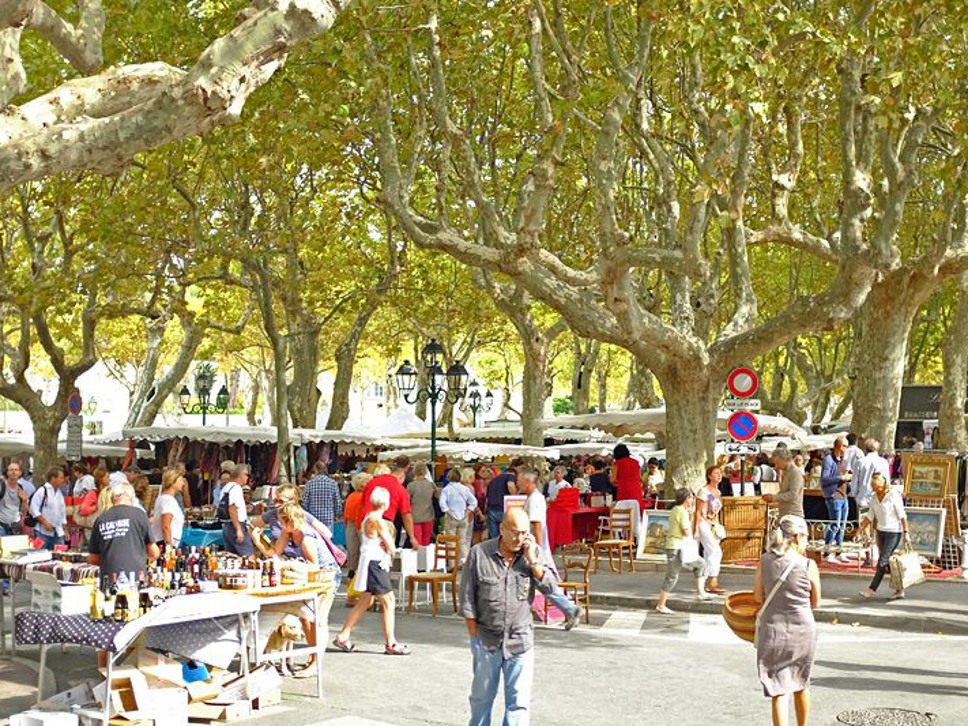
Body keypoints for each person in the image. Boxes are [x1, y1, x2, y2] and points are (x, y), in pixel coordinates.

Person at [460, 508, 556, 726]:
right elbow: (467, 598)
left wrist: (533, 561)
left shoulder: (532, 553)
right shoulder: (479, 553)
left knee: (518, 704)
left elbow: (550, 588)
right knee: (481, 700)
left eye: (524, 533)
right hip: (487, 640)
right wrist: (474, 637)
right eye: (514, 532)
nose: (519, 538)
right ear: (501, 528)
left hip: (520, 640)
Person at [754, 515, 820, 726]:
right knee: (801, 683)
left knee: (778, 689)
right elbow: (815, 602)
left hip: (773, 630)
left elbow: (758, 597)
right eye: (806, 537)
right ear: (797, 537)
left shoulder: (764, 561)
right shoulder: (808, 564)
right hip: (802, 629)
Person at [332, 487, 410, 656]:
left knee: (366, 601)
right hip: (376, 563)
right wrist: (388, 545)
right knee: (388, 601)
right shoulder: (377, 521)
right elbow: (391, 546)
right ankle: (391, 642)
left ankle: (343, 635)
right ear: (386, 503)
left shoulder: (369, 517)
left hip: (370, 562)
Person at [274, 502, 340, 676]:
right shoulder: (289, 532)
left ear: (290, 521)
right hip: (310, 578)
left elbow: (314, 565)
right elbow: (274, 552)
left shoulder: (307, 536)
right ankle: (312, 659)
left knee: (318, 620)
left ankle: (316, 664)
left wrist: (292, 566)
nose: (279, 524)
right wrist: (257, 538)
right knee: (305, 617)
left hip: (325, 576)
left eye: (282, 521)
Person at [518, 467, 581, 629]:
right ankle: (567, 608)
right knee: (536, 582)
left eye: (520, 481)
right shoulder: (535, 497)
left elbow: (537, 525)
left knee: (540, 581)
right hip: (533, 547)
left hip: (534, 548)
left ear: (528, 482)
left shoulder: (534, 499)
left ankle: (569, 608)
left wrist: (536, 550)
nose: (518, 484)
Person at [88, 482, 160, 582]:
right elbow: (154, 552)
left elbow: (93, 559)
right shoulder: (139, 515)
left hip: (108, 579)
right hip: (136, 578)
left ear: (113, 498)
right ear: (131, 497)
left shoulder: (101, 519)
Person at [655, 488, 711, 614]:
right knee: (672, 576)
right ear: (686, 499)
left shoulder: (676, 509)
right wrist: (692, 536)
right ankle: (661, 605)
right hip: (677, 547)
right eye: (691, 497)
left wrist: (690, 516)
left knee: (700, 564)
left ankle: (701, 592)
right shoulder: (682, 511)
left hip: (675, 546)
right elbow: (685, 530)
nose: (693, 500)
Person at [858, 473, 909, 600]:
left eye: (878, 487)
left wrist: (906, 533)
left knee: (882, 561)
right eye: (874, 487)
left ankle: (871, 590)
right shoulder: (874, 497)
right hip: (881, 531)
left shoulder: (893, 495)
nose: (876, 489)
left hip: (894, 532)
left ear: (884, 485)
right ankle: (900, 589)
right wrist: (860, 529)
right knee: (887, 562)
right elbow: (870, 516)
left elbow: (902, 515)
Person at [361, 456, 418, 548]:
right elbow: (406, 515)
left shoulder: (371, 482)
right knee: (385, 552)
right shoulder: (400, 488)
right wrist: (412, 537)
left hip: (367, 520)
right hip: (385, 522)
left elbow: (363, 502)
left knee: (367, 550)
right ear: (401, 477)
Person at [694, 466, 726, 595]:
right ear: (709, 476)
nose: (719, 475)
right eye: (716, 473)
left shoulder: (718, 492)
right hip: (703, 523)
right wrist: (696, 529)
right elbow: (697, 511)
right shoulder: (703, 491)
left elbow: (716, 511)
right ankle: (713, 580)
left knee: (709, 553)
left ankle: (703, 581)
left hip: (713, 524)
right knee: (715, 551)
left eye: (720, 473)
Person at [820, 437, 851, 563]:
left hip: (843, 496)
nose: (847, 449)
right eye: (845, 446)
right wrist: (841, 477)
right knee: (835, 525)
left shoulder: (842, 460)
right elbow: (824, 479)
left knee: (842, 526)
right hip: (834, 496)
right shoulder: (828, 460)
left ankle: (839, 551)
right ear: (839, 446)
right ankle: (827, 553)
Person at [440, 468, 478, 564]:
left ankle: (452, 564)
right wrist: (468, 511)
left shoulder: (446, 489)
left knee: (451, 542)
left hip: (451, 517)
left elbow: (442, 503)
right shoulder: (465, 489)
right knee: (462, 541)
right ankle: (466, 562)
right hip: (463, 517)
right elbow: (474, 502)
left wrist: (448, 511)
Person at [28, 466, 69, 549]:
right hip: (42, 532)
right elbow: (33, 509)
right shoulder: (42, 491)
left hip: (58, 532)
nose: (63, 480)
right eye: (61, 478)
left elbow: (62, 513)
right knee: (40, 554)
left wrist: (65, 530)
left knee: (59, 554)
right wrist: (45, 523)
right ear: (53, 478)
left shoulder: (59, 494)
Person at [219, 463, 254, 556]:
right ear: (241, 475)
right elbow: (232, 509)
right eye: (246, 475)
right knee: (249, 556)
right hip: (236, 525)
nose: (247, 477)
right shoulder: (236, 488)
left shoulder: (226, 487)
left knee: (232, 556)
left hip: (226, 525)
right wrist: (238, 529)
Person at [149, 468, 187, 548]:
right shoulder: (168, 501)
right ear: (172, 482)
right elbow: (166, 525)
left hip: (161, 541)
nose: (183, 483)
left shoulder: (163, 498)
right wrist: (169, 547)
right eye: (180, 480)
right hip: (164, 542)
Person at [763, 448, 805, 519]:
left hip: (793, 515)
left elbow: (793, 494)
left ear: (785, 459)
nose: (776, 466)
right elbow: (784, 491)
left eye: (777, 463)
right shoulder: (786, 472)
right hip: (785, 514)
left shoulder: (795, 472)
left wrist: (774, 497)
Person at [344, 471, 371, 578]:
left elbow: (346, 514)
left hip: (350, 524)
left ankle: (351, 572)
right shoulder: (364, 497)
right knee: (363, 549)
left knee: (352, 550)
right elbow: (359, 514)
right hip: (360, 523)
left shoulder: (350, 496)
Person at [302, 461, 343, 530]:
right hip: (328, 519)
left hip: (313, 520)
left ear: (316, 470)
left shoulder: (309, 484)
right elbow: (337, 503)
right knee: (328, 536)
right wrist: (337, 515)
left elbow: (305, 504)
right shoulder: (333, 483)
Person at [852, 438, 890, 510]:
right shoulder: (883, 462)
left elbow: (854, 482)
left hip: (862, 498)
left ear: (865, 449)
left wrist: (856, 495)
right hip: (879, 498)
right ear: (877, 449)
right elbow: (887, 482)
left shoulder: (860, 462)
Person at [406, 461, 438, 547]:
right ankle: (424, 555)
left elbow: (407, 501)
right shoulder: (431, 485)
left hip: (415, 517)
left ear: (415, 471)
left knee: (417, 540)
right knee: (426, 540)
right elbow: (437, 496)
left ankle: (418, 555)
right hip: (429, 516)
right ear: (426, 472)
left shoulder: (411, 486)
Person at [485, 461, 519, 538]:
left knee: (493, 537)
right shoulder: (510, 476)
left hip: (491, 510)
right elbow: (510, 485)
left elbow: (487, 498)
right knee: (505, 536)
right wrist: (516, 496)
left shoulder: (493, 480)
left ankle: (494, 546)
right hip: (503, 509)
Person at [610, 444, 643, 510]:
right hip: (637, 490)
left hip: (624, 490)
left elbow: (612, 480)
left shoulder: (617, 463)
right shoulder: (636, 462)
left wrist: (620, 482)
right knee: (636, 510)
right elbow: (639, 478)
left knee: (624, 511)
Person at [0, 462, 30, 535]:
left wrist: (24, 500)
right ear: (7, 472)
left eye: (16, 470)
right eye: (11, 470)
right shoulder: (1, 486)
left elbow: (24, 512)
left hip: (15, 527)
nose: (13, 472)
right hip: (1, 527)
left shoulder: (21, 488)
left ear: (20, 473)